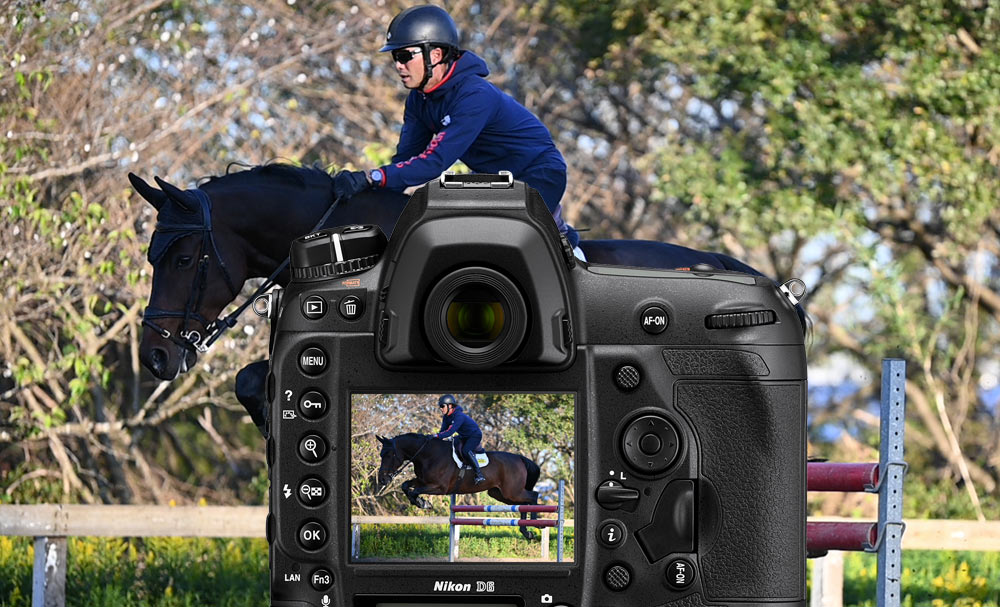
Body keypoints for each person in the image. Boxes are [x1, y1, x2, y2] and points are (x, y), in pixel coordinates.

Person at [333, 4, 584, 259]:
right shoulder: (419, 100)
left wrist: (371, 177)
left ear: (436, 54)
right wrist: (367, 194)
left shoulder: (474, 95)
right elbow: (406, 161)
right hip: (496, 182)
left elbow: (434, 162)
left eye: (405, 56)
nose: (398, 65)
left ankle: (571, 254)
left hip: (539, 174)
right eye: (394, 57)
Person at [431, 394, 485, 484]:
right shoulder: (446, 417)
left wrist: (436, 436)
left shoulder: (459, 416)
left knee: (465, 451)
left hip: (474, 435)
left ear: (450, 406)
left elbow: (450, 432)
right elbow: (442, 431)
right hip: (464, 436)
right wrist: (434, 438)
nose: (441, 408)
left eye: (442, 406)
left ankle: (479, 474)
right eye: (440, 406)